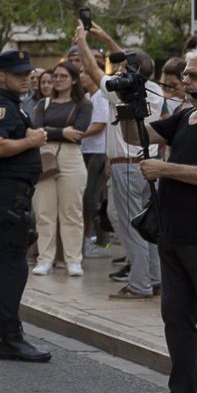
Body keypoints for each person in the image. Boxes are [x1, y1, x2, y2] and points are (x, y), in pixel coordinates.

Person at [131, 50, 197, 393]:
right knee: (175, 315)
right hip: (173, 234)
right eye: (186, 75)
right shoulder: (184, 117)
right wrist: (128, 104)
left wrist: (166, 169)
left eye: (193, 75)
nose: (185, 80)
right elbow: (137, 134)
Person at [77, 25, 171, 300]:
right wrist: (105, 37)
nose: (118, 71)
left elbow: (94, 71)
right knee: (145, 223)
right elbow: (130, 62)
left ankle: (140, 284)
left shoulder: (125, 89)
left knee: (132, 227)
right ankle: (153, 278)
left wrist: (83, 41)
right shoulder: (152, 87)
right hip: (148, 162)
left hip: (127, 162)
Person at [0, 50, 51, 362]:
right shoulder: (1, 107)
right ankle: (10, 338)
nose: (26, 78)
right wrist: (31, 142)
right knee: (11, 267)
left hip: (6, 192)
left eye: (27, 72)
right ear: (1, 75)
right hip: (8, 195)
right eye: (19, 74)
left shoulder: (10, 105)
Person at [31, 61, 92, 277]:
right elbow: (36, 131)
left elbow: (80, 131)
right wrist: (62, 132)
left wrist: (54, 131)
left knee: (72, 212)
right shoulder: (43, 103)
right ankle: (45, 258)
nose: (57, 80)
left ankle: (73, 259)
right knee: (44, 211)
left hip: (72, 158)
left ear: (74, 79)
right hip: (45, 156)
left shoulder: (83, 104)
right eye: (55, 76)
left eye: (62, 76)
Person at [77, 66, 111, 258]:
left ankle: (96, 239)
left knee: (90, 198)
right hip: (86, 150)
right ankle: (91, 238)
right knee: (86, 198)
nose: (81, 76)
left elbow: (100, 125)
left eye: (85, 73)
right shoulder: (88, 98)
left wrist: (77, 134)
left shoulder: (100, 97)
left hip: (98, 151)